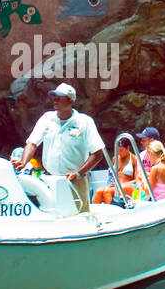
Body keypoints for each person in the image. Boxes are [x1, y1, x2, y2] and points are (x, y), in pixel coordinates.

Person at [15, 83, 104, 212]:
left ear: (71, 100)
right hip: (49, 180)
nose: (55, 99)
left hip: (75, 181)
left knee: (79, 218)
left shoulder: (84, 122)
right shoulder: (46, 119)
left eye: (60, 97)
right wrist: (23, 162)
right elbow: (32, 143)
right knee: (53, 217)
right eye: (54, 96)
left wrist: (78, 173)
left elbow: (97, 153)